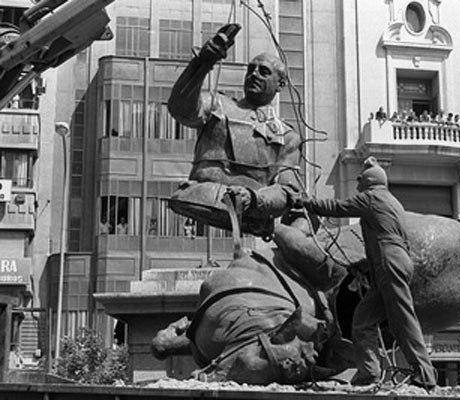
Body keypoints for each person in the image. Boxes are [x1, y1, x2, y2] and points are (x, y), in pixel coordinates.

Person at [295, 157, 437, 389]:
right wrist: (364, 267)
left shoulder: (372, 197)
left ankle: (425, 374)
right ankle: (369, 373)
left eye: (361, 179)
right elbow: (385, 239)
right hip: (391, 263)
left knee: (403, 319)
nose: (358, 182)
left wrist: (308, 203)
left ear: (370, 181)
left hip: (389, 264)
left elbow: (338, 208)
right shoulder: (392, 202)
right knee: (362, 320)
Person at [168, 23, 302, 237]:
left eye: (264, 72)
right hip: (199, 196)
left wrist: (255, 199)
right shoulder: (217, 104)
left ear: (280, 84)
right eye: (251, 69)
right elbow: (180, 109)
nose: (254, 74)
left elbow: (288, 191)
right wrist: (203, 63)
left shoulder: (287, 136)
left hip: (251, 213)